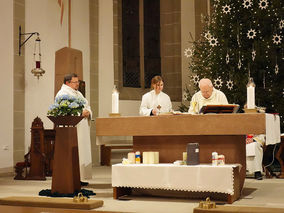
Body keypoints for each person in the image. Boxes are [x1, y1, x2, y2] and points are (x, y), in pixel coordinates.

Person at [55, 73, 93, 181]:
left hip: (82, 126)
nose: (77, 84)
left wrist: (88, 112)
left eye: (78, 82)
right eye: (75, 82)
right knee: (76, 152)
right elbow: (64, 111)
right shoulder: (62, 94)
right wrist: (81, 113)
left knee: (82, 152)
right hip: (73, 128)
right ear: (67, 83)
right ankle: (74, 178)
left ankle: (80, 178)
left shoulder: (79, 94)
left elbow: (87, 106)